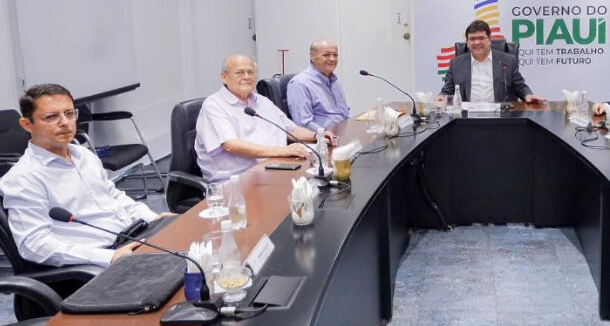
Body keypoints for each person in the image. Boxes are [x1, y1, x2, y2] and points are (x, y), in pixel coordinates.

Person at [0, 84, 172, 267]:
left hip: (132, 239)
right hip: (98, 263)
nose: (65, 122)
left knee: (197, 250)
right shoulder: (24, 179)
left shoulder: (83, 155)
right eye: (51, 117)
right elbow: (34, 245)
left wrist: (153, 219)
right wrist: (107, 257)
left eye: (69, 113)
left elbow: (113, 197)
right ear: (27, 124)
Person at [196, 54, 328, 183]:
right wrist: (283, 151)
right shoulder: (214, 105)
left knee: (320, 186)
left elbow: (291, 130)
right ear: (224, 77)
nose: (246, 77)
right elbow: (231, 145)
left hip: (276, 170)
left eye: (251, 72)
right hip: (236, 181)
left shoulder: (262, 101)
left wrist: (318, 136)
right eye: (239, 73)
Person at [440, 20, 545, 104]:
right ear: (467, 42)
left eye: (481, 38)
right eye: (472, 39)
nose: (477, 42)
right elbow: (447, 90)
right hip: (466, 118)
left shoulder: (508, 60)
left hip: (501, 118)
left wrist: (528, 95)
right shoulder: (456, 63)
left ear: (490, 39)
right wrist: (441, 96)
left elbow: (519, 86)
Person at [287, 38, 351, 130]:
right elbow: (303, 124)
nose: (332, 59)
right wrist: (325, 135)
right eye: (326, 55)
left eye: (335, 55)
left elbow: (345, 113)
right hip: (322, 139)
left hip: (342, 132)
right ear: (312, 56)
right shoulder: (300, 83)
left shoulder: (335, 80)